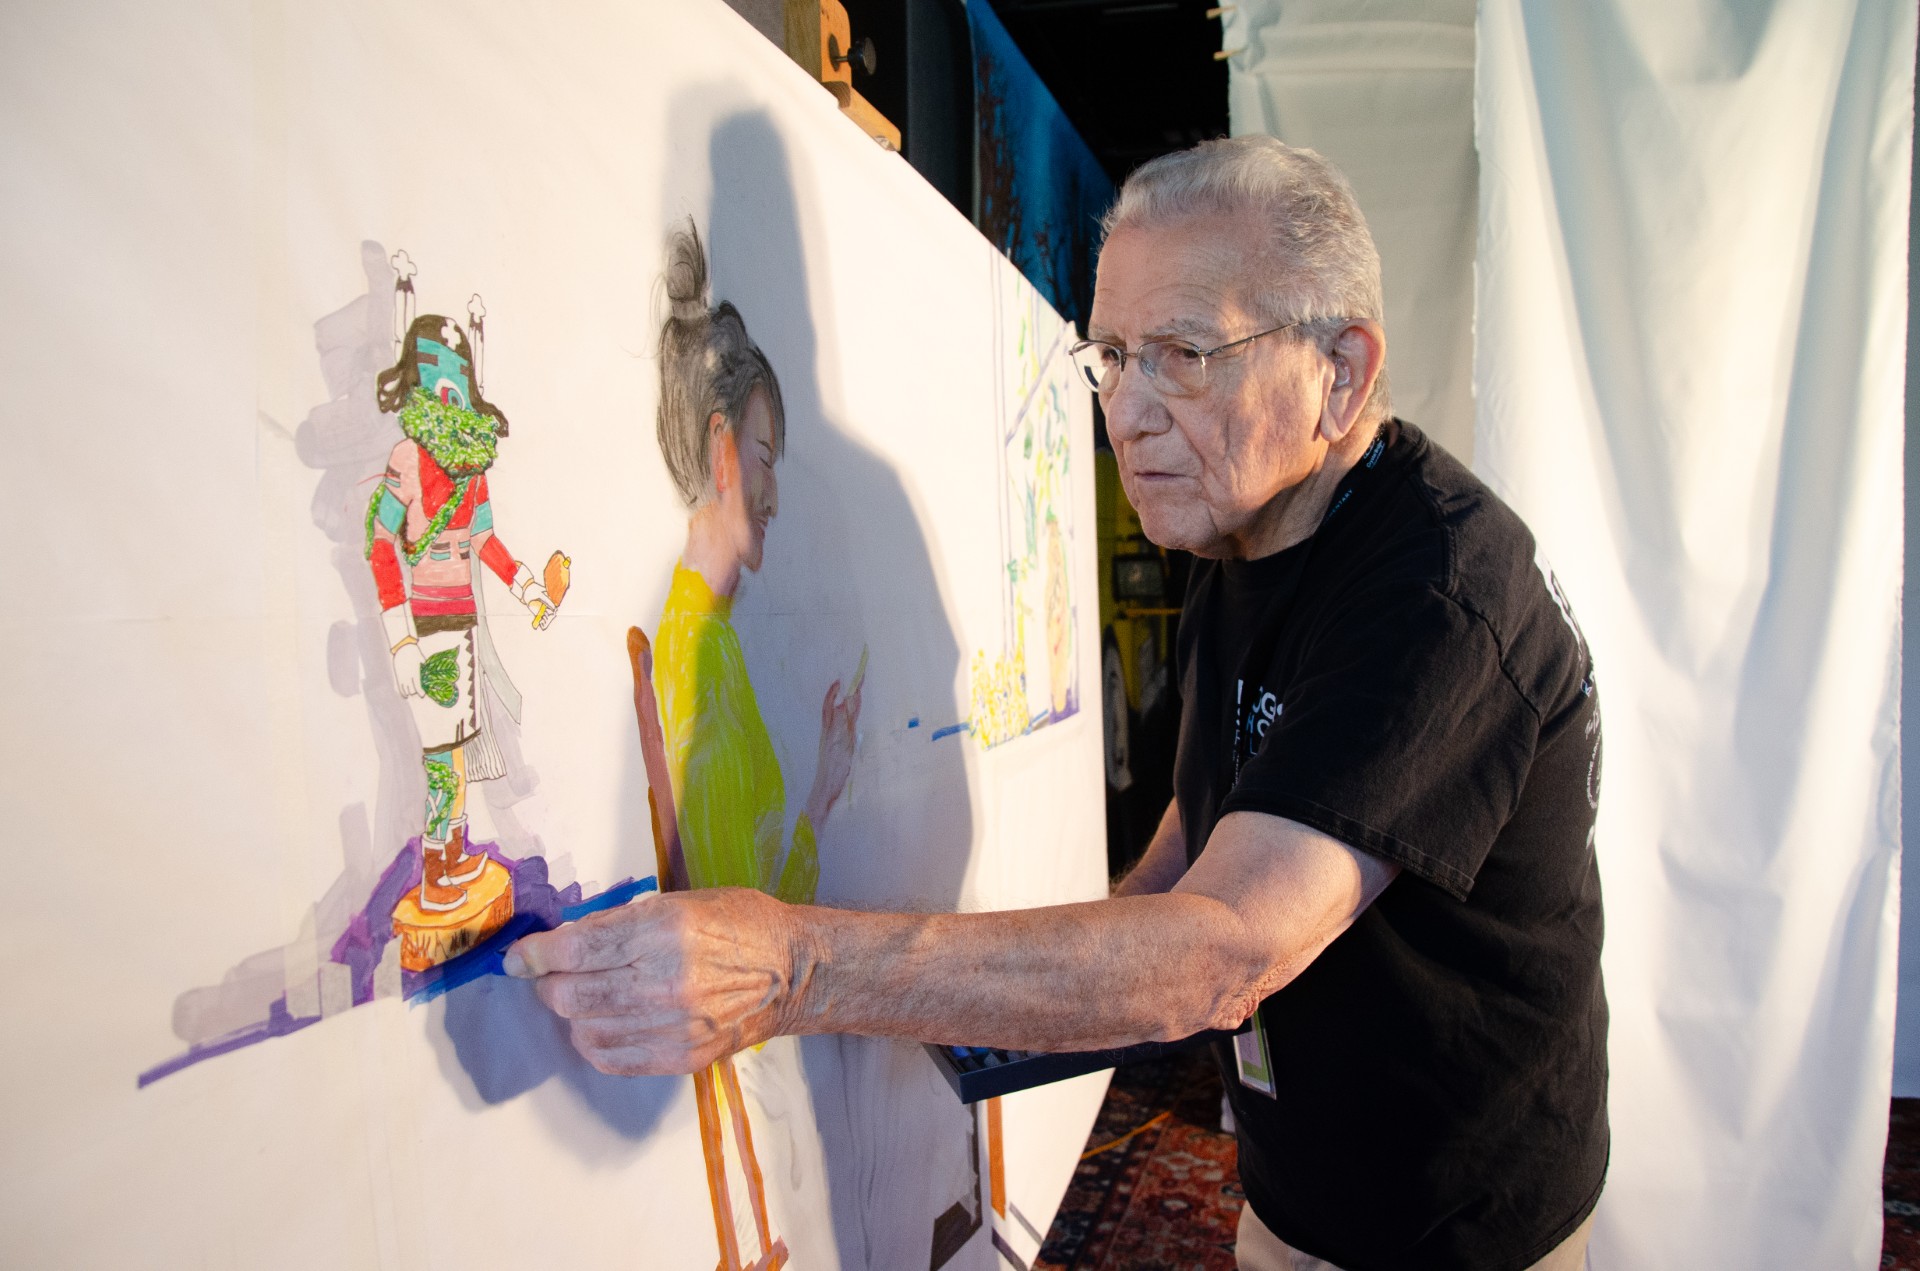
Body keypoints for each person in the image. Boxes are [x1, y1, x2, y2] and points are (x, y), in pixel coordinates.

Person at [505, 139, 1607, 1271]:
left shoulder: (1437, 596)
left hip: (1453, 1225)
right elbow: (1210, 806)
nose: (1125, 411)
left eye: (1183, 353)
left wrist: (796, 964)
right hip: (1299, 1188)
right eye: (1113, 356)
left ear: (1342, 369)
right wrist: (1094, 959)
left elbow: (1227, 947)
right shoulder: (1241, 529)